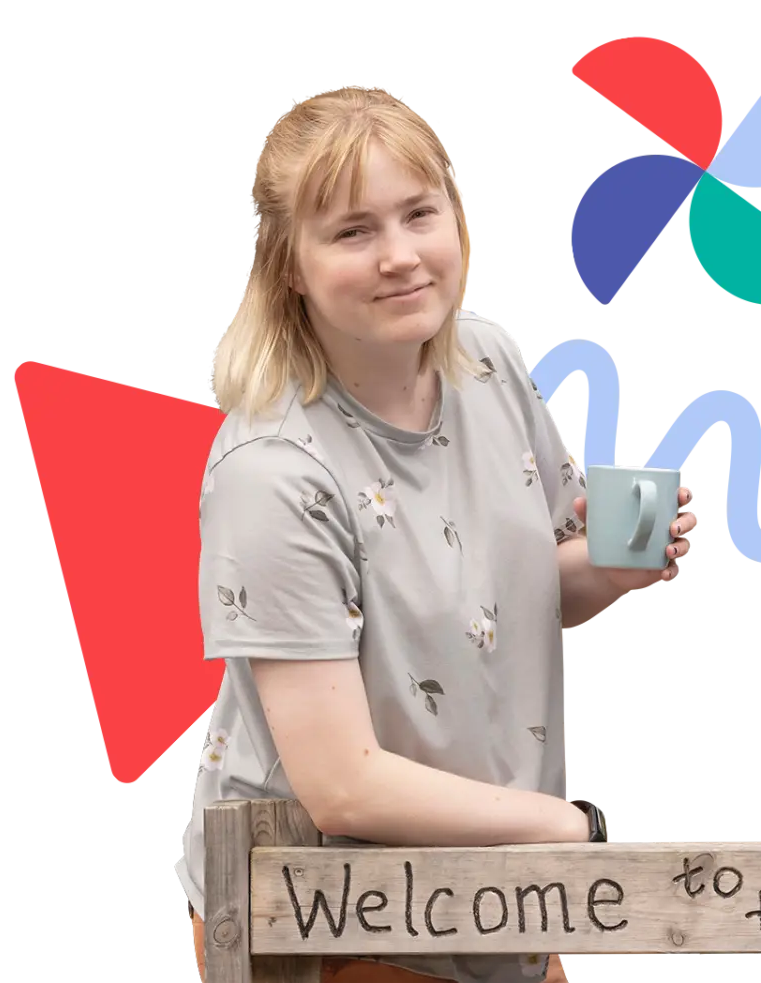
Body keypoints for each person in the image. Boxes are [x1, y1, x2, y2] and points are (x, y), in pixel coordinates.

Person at [173, 85, 697, 983]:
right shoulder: (273, 472)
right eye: (352, 231)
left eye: (420, 214)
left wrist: (613, 567)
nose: (401, 256)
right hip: (328, 919)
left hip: (501, 894)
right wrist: (560, 825)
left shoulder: (489, 361)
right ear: (288, 265)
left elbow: (517, 597)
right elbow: (342, 784)